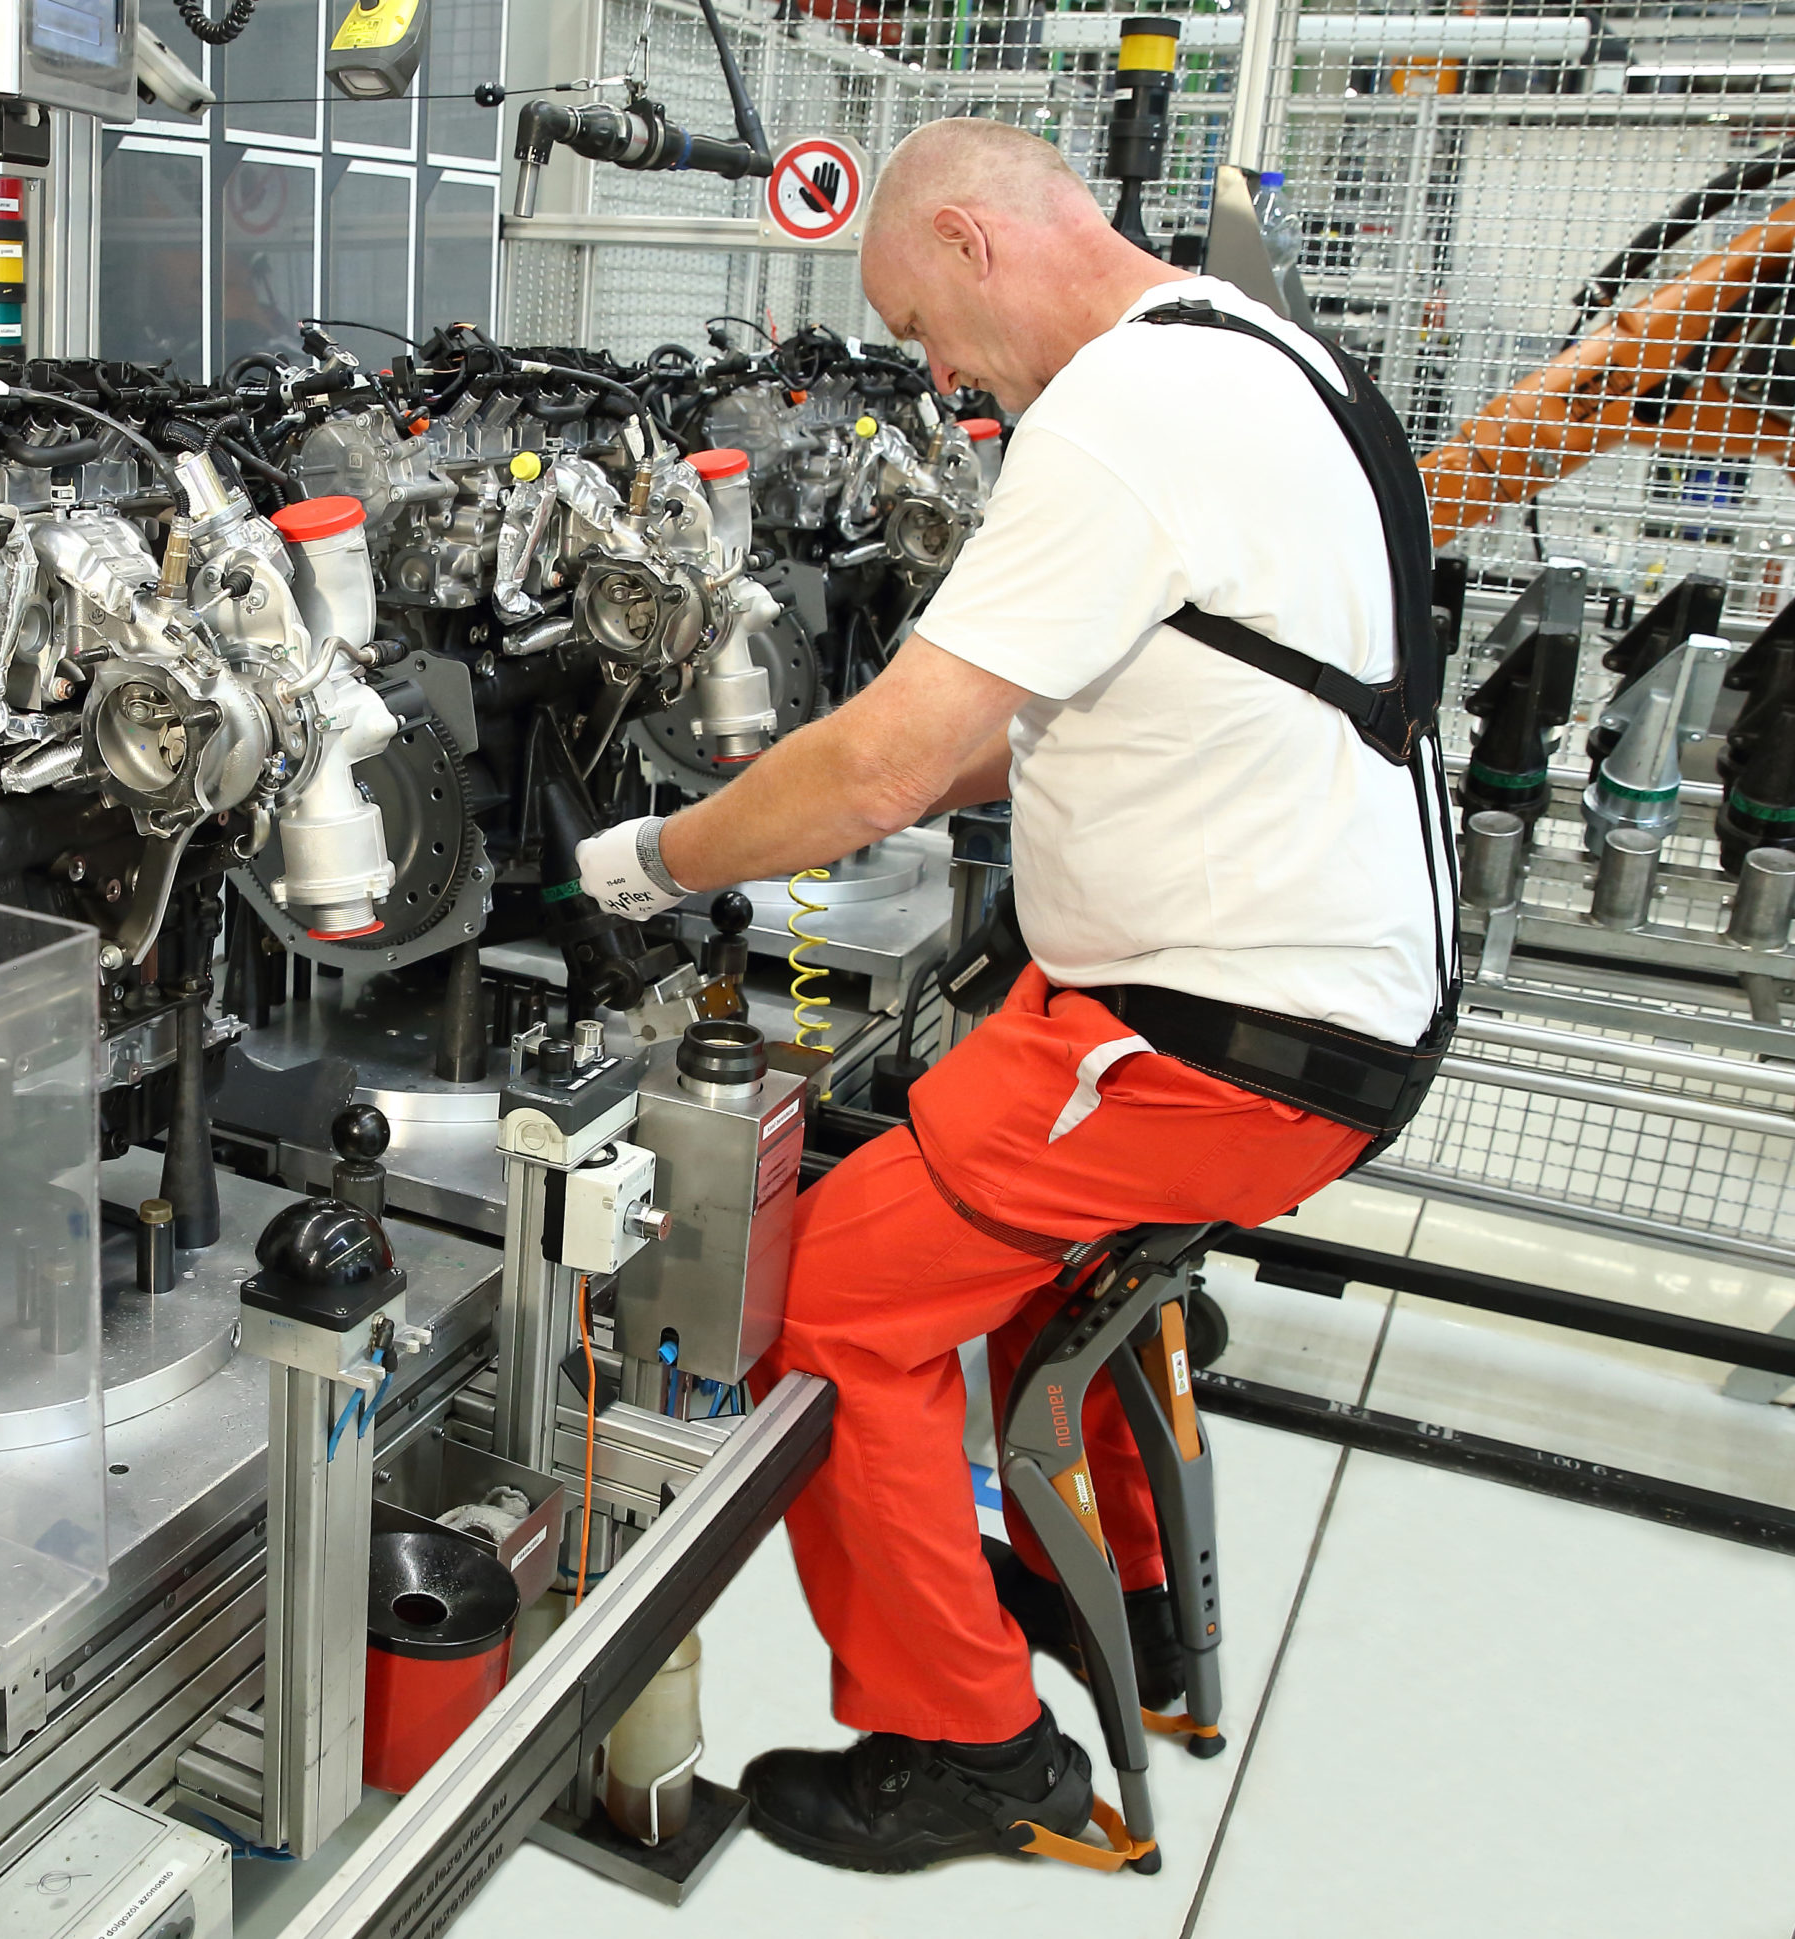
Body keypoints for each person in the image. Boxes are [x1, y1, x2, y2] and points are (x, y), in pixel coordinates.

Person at [574, 118, 1453, 1874]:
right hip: (1304, 1002)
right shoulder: (1256, 348)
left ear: (973, 239)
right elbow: (1054, 708)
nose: (938, 372)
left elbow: (888, 763)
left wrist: (654, 861)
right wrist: (863, 792)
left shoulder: (1121, 416)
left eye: (920, 324)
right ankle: (1120, 1591)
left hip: (1211, 1046)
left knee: (833, 1299)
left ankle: (971, 1747)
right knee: (1006, 1258)